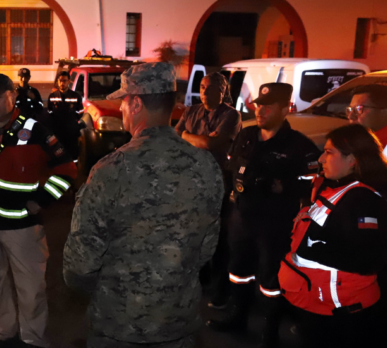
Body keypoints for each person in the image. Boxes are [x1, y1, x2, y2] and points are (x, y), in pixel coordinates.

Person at [63, 62, 223, 348]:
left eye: (123, 101)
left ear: (136, 104)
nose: (122, 109)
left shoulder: (110, 170)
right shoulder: (206, 165)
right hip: (178, 322)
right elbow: (207, 248)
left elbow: (79, 264)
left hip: (119, 326)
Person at [0, 74, 77, 348]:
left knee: (31, 288)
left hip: (23, 225)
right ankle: (4, 332)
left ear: (13, 95)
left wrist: (43, 199)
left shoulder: (35, 129)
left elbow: (67, 169)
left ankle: (33, 339)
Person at [207, 83, 321, 348]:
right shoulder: (246, 135)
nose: (260, 110)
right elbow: (231, 167)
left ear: (285, 109)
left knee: (271, 280)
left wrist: (285, 187)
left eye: (268, 106)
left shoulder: (299, 146)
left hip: (275, 222)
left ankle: (269, 332)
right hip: (241, 217)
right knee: (238, 271)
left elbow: (311, 181)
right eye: (258, 105)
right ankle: (238, 317)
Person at [278, 124, 387, 348]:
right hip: (322, 304)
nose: (321, 159)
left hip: (342, 312)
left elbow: (368, 259)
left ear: (353, 159)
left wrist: (312, 246)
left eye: (329, 152)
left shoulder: (363, 200)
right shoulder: (338, 188)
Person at [175, 72, 241, 308]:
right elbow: (176, 137)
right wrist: (195, 138)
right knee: (193, 234)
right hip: (191, 183)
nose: (204, 92)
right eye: (202, 87)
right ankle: (198, 281)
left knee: (220, 239)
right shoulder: (191, 111)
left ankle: (220, 289)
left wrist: (188, 136)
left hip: (217, 184)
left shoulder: (231, 115)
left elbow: (211, 144)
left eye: (210, 88)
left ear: (222, 91)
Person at [346, 83, 387, 343]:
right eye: (350, 108)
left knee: (384, 311)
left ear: (386, 112)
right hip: (361, 243)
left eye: (360, 108)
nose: (352, 114)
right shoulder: (364, 144)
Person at [47, 71, 84, 159]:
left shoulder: (75, 96)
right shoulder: (52, 96)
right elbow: (49, 112)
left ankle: (73, 168)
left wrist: (73, 121)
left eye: (64, 81)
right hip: (58, 129)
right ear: (57, 82)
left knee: (73, 152)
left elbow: (80, 111)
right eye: (60, 80)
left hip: (71, 130)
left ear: (69, 81)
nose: (62, 83)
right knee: (58, 151)